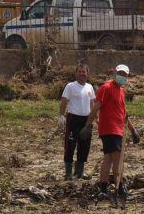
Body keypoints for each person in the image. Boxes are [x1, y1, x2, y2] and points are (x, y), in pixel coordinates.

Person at [82, 64, 139, 201]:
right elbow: (96, 107)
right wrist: (88, 125)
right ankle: (119, 187)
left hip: (118, 129)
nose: (122, 76)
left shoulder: (121, 91)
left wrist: (133, 130)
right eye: (120, 73)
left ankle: (104, 188)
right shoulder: (106, 88)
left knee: (108, 157)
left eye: (124, 75)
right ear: (115, 73)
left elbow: (123, 114)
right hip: (110, 128)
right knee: (117, 158)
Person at [59, 63, 96, 180]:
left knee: (84, 146)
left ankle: (80, 172)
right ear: (76, 73)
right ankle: (68, 173)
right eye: (79, 71)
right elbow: (64, 101)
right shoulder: (70, 86)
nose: (81, 74)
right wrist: (61, 116)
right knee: (70, 145)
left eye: (83, 72)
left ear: (87, 73)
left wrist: (94, 118)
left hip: (86, 120)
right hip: (73, 119)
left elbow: (92, 104)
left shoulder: (90, 87)